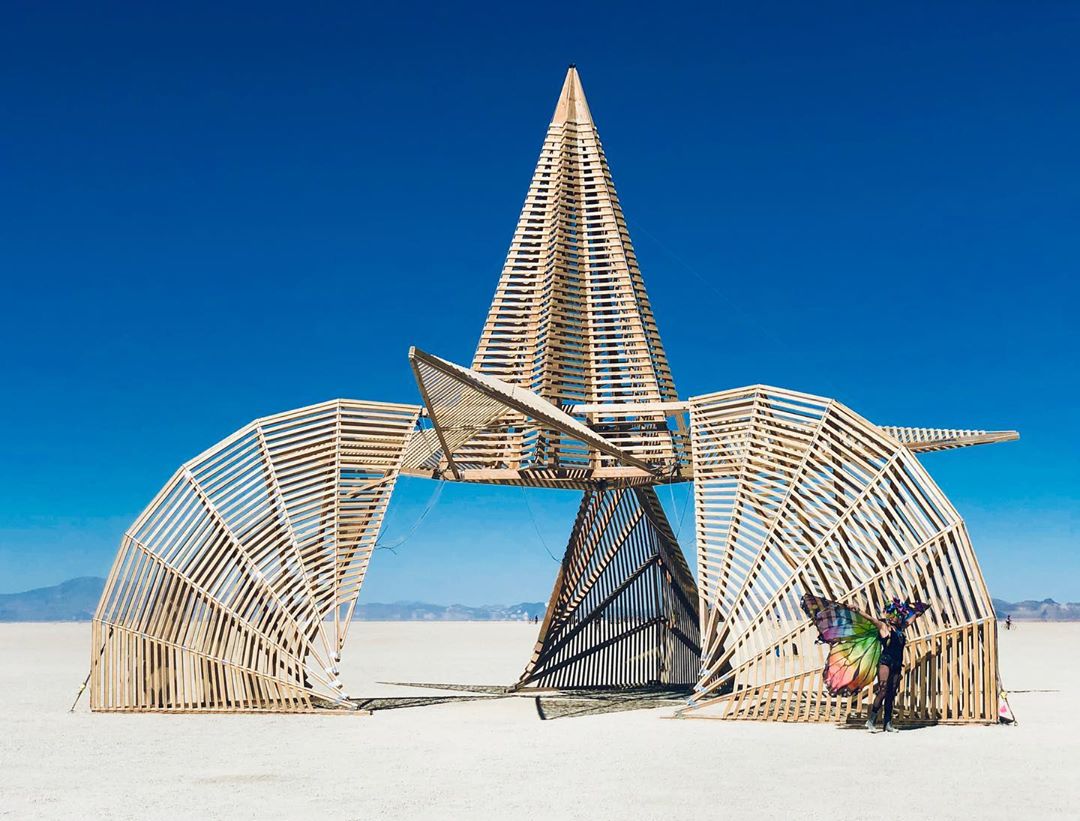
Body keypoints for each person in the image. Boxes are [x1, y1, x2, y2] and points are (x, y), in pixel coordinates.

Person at [865, 603, 909, 733]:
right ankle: (871, 720)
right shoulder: (885, 627)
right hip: (886, 661)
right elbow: (872, 620)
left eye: (899, 616)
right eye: (895, 615)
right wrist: (858, 611)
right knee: (883, 689)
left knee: (891, 693)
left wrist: (919, 611)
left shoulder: (900, 629)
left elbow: (911, 619)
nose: (898, 618)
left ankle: (888, 723)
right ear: (890, 616)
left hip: (897, 663)